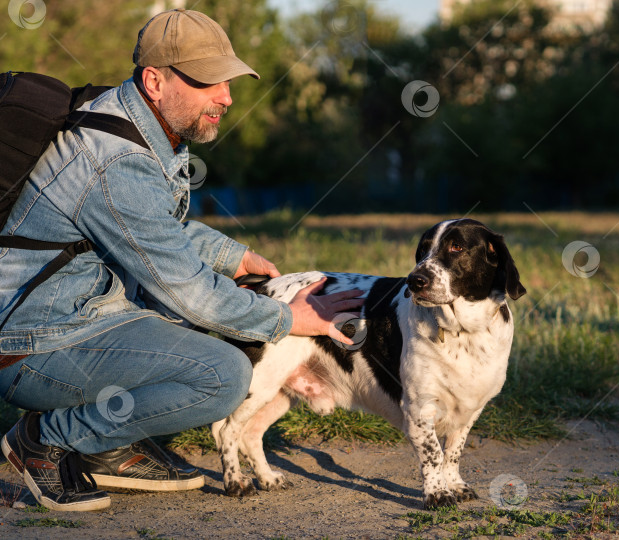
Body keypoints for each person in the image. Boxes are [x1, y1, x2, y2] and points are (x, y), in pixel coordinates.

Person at [0, 8, 363, 512]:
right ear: (155, 81)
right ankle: (46, 440)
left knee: (200, 326)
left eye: (228, 81)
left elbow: (154, 229)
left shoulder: (138, 123)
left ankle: (110, 443)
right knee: (222, 375)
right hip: (33, 347)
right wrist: (287, 318)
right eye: (210, 83)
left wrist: (232, 256)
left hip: (79, 316)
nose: (227, 97)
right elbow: (185, 288)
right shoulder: (117, 158)